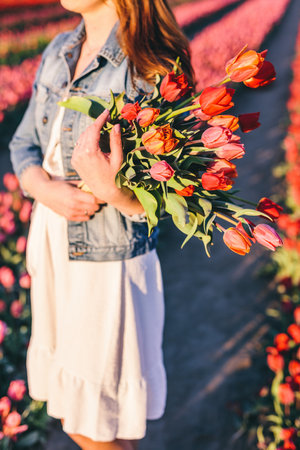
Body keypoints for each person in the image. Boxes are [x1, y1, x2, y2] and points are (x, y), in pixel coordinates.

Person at [9, 1, 194, 449]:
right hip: (52, 244)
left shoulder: (153, 61)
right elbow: (23, 143)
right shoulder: (60, 50)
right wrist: (42, 188)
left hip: (106, 261)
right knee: (75, 411)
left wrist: (113, 191)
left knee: (93, 424)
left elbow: (178, 199)